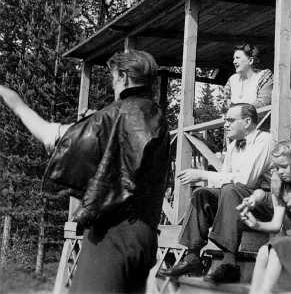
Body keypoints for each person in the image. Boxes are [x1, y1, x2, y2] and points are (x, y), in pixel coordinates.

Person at [0, 49, 170, 293]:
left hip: (112, 236)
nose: (113, 86)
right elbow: (125, 162)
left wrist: (15, 103)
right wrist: (94, 123)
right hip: (144, 238)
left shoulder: (113, 115)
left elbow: (51, 134)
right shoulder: (156, 116)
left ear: (123, 76)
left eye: (113, 79)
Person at [162, 103, 274, 283]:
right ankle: (193, 257)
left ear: (247, 122)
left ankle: (230, 263)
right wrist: (207, 180)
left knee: (231, 190)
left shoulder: (264, 140)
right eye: (225, 120)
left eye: (230, 120)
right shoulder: (233, 146)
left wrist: (202, 173)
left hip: (266, 204)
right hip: (240, 201)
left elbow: (246, 180)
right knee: (202, 194)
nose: (225, 124)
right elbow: (224, 179)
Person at [238, 140, 291, 294]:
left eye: (284, 166)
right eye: (277, 168)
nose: (280, 171)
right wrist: (256, 224)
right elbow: (276, 224)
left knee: (278, 249)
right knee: (264, 251)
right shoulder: (283, 187)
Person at [224, 43, 273, 108]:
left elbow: (263, 103)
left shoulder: (264, 76)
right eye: (234, 58)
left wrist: (236, 108)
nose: (234, 61)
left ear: (250, 60)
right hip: (233, 118)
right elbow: (225, 103)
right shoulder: (232, 80)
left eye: (238, 58)